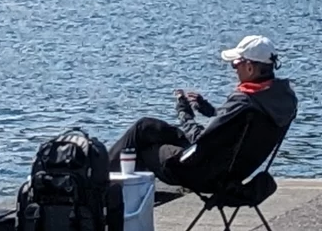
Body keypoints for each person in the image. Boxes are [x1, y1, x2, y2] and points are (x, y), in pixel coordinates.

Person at [118, 33, 297, 196]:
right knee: (148, 127)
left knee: (141, 140)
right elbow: (236, 129)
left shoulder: (242, 102)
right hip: (233, 170)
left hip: (200, 173)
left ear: (250, 68)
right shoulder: (282, 99)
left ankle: (102, 191)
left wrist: (184, 114)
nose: (234, 69)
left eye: (236, 64)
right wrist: (210, 111)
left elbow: (200, 139)